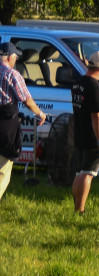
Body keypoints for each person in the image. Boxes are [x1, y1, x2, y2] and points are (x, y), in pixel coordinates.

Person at [0, 42, 47, 202]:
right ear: (10, 57)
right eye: (16, 57)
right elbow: (27, 100)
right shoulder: (12, 74)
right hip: (5, 124)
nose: (16, 60)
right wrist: (40, 113)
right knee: (3, 168)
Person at [71, 51, 99, 214]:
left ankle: (76, 207)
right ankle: (80, 209)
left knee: (79, 172)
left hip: (79, 132)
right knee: (88, 174)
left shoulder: (77, 83)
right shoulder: (94, 87)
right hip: (91, 136)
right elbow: (96, 116)